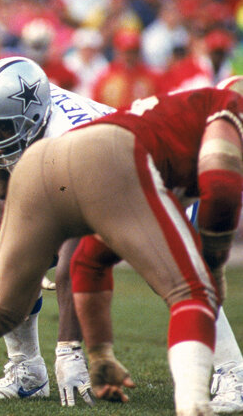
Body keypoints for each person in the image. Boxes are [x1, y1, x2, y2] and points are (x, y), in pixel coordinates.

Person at [0, 86, 240, 416]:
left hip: (59, 162)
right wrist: (214, 263)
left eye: (1, 128)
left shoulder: (50, 117)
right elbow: (222, 189)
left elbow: (88, 260)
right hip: (114, 161)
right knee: (191, 287)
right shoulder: (229, 107)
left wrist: (98, 353)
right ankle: (199, 402)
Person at [69, 75, 243, 413]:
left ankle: (231, 373)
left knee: (187, 274)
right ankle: (229, 372)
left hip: (133, 157)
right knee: (184, 271)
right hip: (138, 159)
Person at [0, 56, 113, 406]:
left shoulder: (75, 140)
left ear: (31, 119)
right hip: (61, 184)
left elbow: (75, 262)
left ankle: (228, 368)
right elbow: (4, 192)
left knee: (175, 272)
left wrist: (69, 352)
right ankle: (27, 371)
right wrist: (19, 260)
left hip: (124, 180)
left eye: (2, 126)